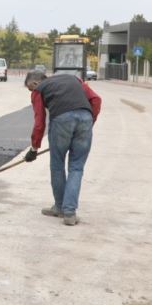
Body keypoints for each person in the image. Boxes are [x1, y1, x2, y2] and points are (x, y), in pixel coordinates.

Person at [23, 70, 102, 226]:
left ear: (35, 83)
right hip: (85, 118)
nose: (31, 93)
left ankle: (60, 208)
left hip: (62, 120)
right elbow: (96, 100)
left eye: (30, 89)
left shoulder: (39, 89)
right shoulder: (74, 79)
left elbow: (40, 121)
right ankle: (70, 213)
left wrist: (34, 148)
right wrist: (87, 123)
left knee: (57, 166)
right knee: (77, 168)